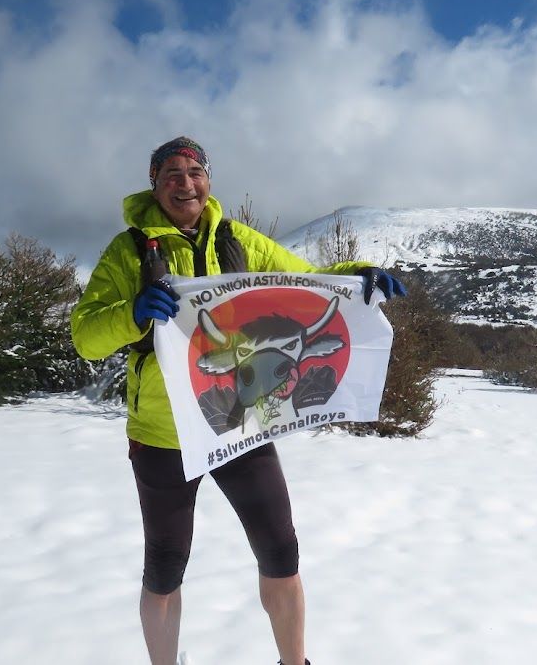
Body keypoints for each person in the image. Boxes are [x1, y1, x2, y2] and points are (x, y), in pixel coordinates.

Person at [71, 136, 405, 665]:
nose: (185, 183)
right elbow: (85, 336)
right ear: (154, 184)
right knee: (164, 565)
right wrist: (131, 313)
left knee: (281, 552)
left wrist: (359, 276)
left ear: (208, 180)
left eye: (195, 172)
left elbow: (305, 281)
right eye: (172, 175)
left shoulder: (238, 239)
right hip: (163, 434)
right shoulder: (127, 252)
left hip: (242, 423)